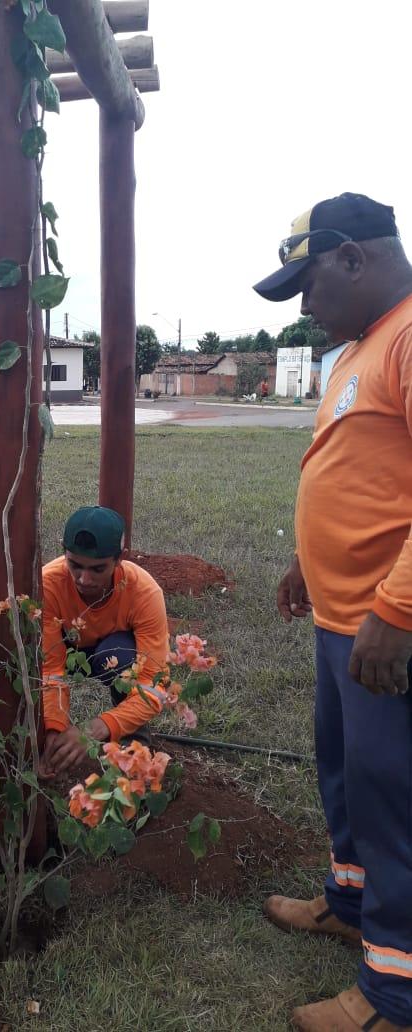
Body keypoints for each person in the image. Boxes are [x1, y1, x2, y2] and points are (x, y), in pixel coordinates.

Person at [254, 192, 412, 1032]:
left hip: (387, 627)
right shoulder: (358, 349)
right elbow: (355, 471)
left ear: (353, 257)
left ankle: (394, 996)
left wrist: (398, 608)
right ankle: (347, 904)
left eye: (308, 284)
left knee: (394, 802)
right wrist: (304, 561)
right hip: (341, 619)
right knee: (346, 777)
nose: (306, 306)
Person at [39, 505, 169, 778]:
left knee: (121, 656)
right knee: (29, 663)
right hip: (66, 650)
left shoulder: (144, 592)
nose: (84, 579)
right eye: (74, 565)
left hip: (110, 653)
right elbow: (50, 669)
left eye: (98, 569)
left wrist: (96, 728)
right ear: (63, 551)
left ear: (120, 558)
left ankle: (134, 747)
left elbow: (153, 686)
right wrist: (53, 729)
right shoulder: (47, 584)